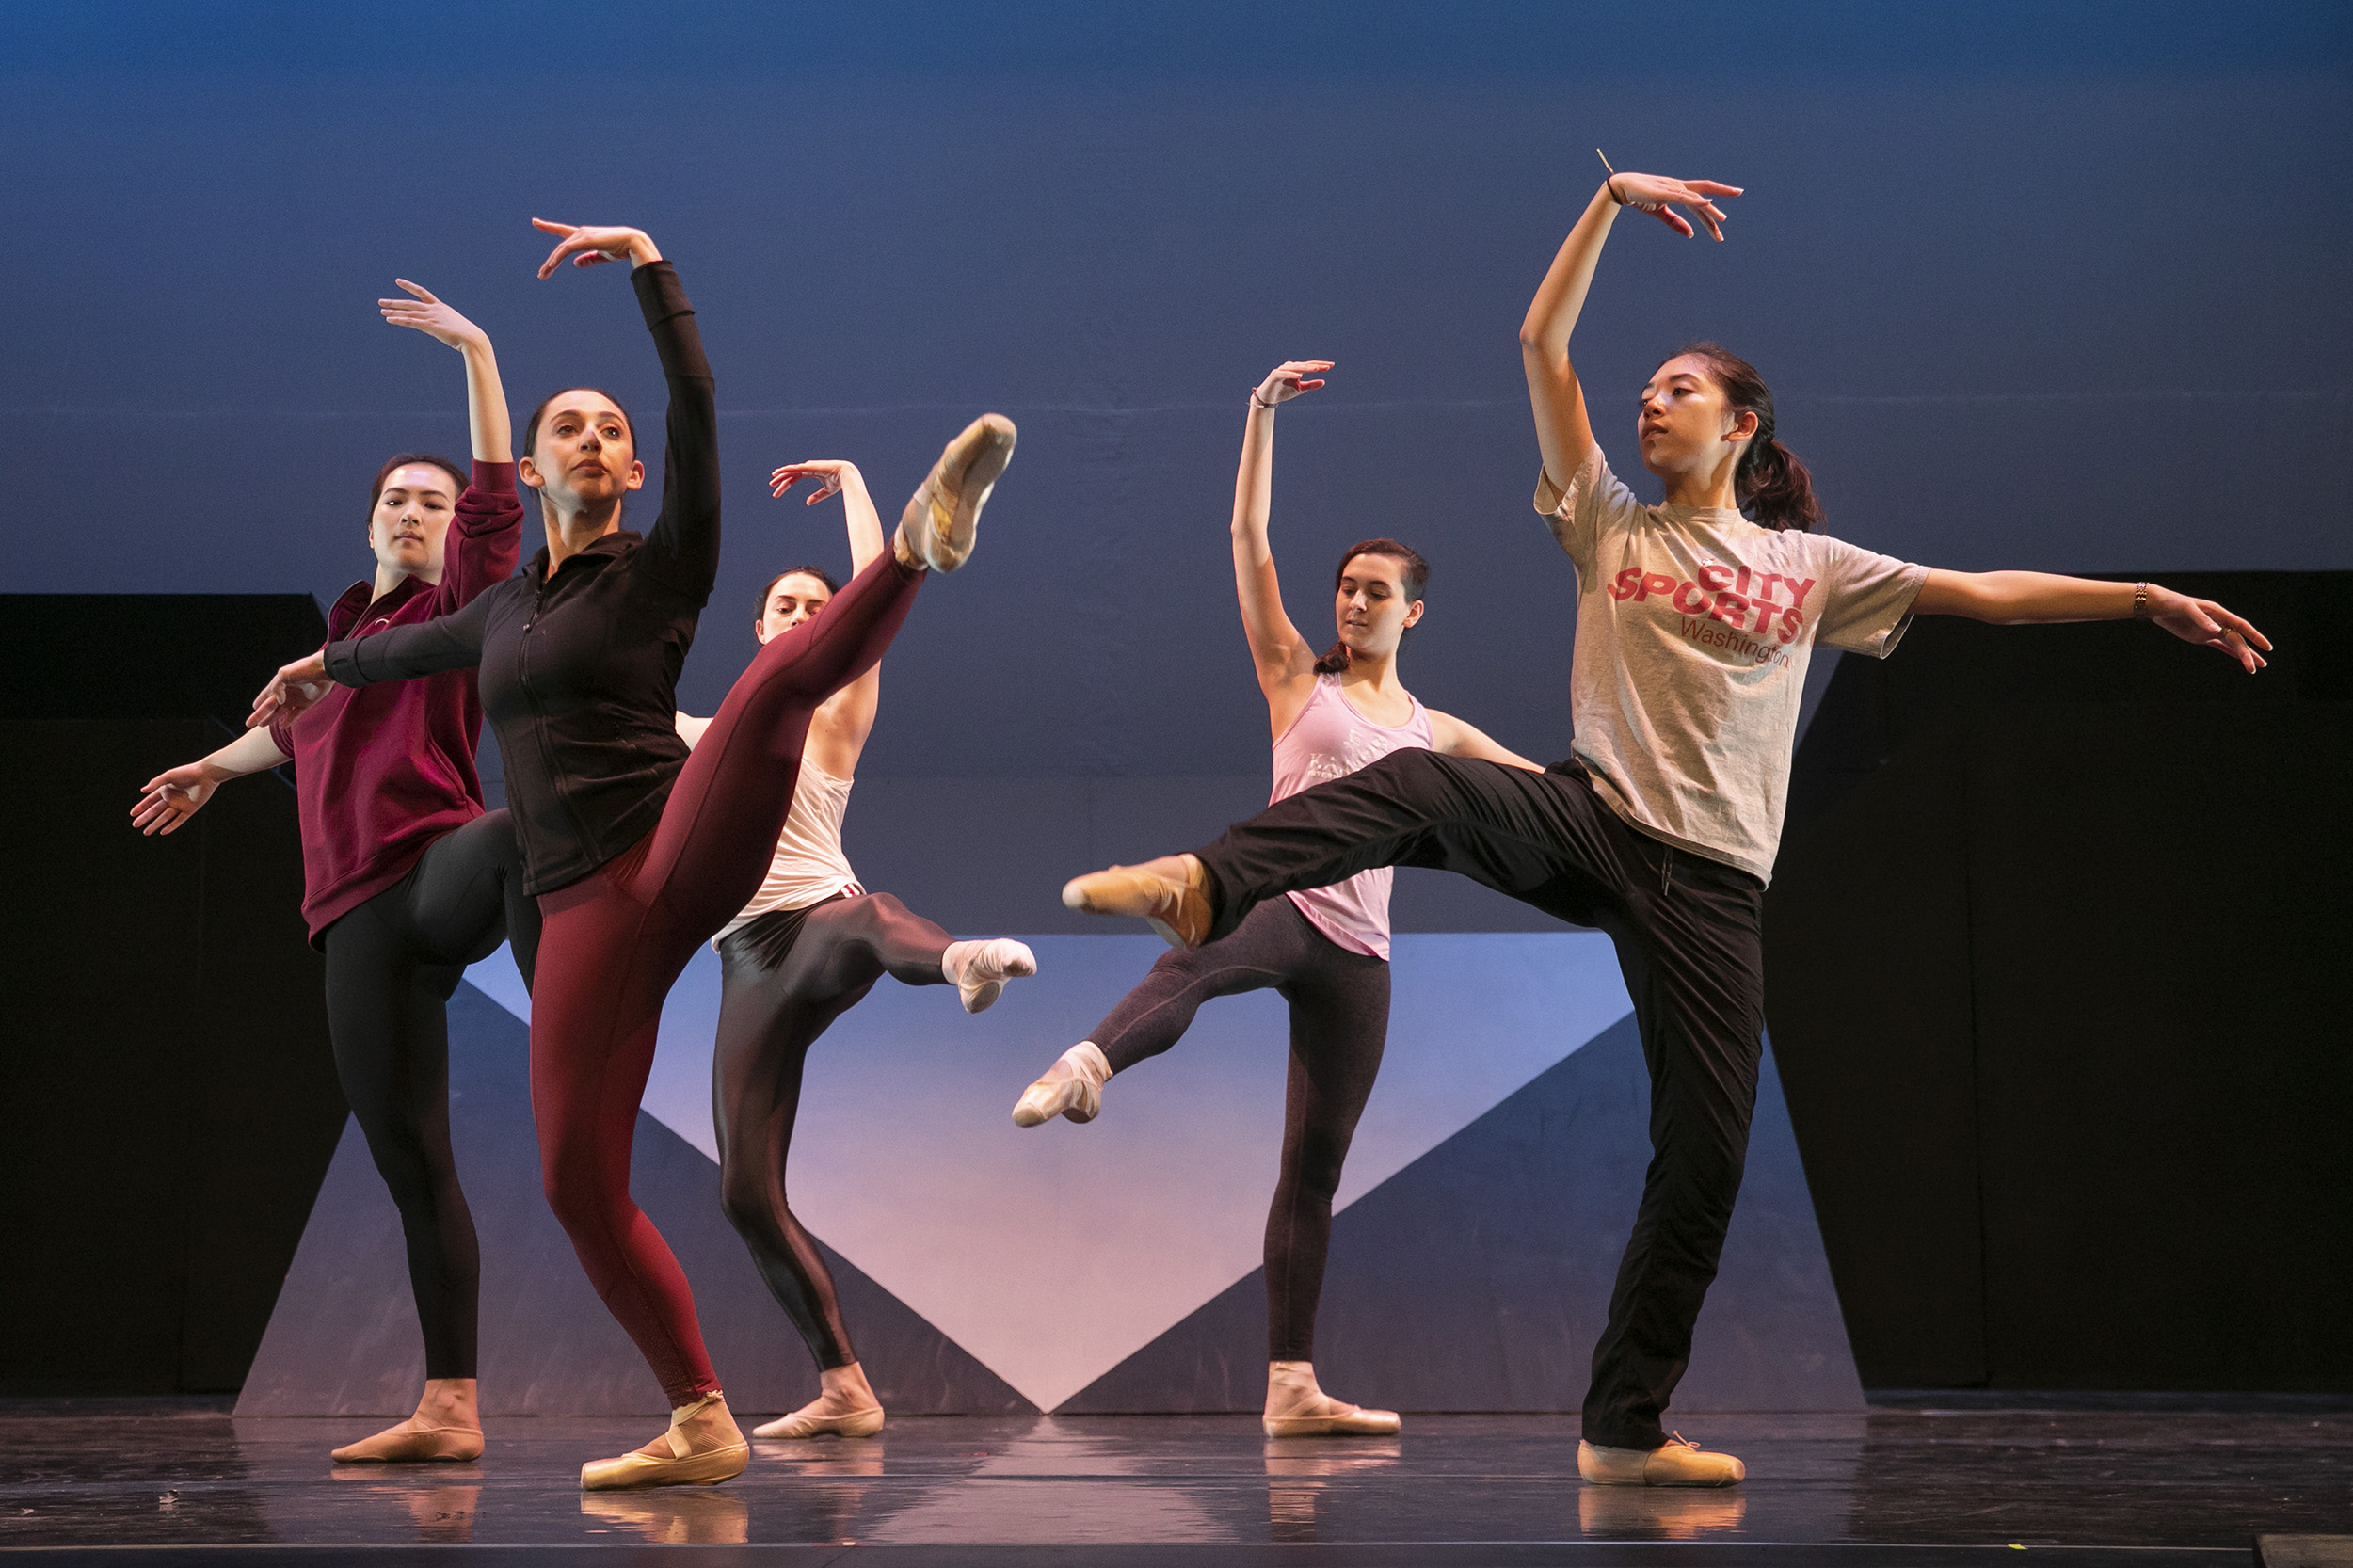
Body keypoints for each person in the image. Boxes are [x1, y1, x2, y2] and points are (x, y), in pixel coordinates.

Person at [1060, 168, 2270, 1487]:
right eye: (1645, 389)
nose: (1648, 401)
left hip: (1713, 889)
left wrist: (2140, 597)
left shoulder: (1812, 571)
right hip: (1594, 817)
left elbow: (1981, 592)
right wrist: (1606, 203)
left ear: (1742, 424)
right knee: (1412, 784)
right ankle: (1205, 882)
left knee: (1704, 1153)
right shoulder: (1605, 522)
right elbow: (1541, 346)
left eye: (1678, 388)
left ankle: (1624, 1428)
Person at [249, 219, 1017, 1490]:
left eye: (614, 430)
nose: (596, 440)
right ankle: (700, 1414)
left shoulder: (666, 568)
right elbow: (399, 652)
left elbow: (697, 395)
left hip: (679, 847)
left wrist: (655, 272)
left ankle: (918, 548)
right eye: (572, 428)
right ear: (538, 467)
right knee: (574, 1182)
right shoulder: (497, 607)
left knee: (772, 689)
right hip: (588, 914)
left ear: (636, 465)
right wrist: (319, 662)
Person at [1012, 360, 1540, 1438]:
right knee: (1196, 959)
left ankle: (1291, 1386)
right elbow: (1249, 544)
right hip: (1287, 906)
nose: (1351, 601)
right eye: (1344, 586)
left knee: (1313, 1167)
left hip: (1361, 956)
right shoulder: (1298, 679)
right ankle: (1086, 1063)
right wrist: (1257, 416)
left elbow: (1542, 790)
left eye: (1374, 590)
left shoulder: (1435, 731)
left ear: (1414, 611)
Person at [133, 281, 536, 1464]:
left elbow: (498, 500)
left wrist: (478, 352)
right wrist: (213, 765)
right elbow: (294, 729)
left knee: (517, 833)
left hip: (438, 866)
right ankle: (449, 1407)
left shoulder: (460, 607)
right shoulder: (337, 645)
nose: (415, 515)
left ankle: (573, 1006)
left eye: (432, 503)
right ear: (369, 524)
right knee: (415, 1166)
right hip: (352, 920)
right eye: (398, 502)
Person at [680, 456, 1036, 1443]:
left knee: (876, 911)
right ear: (756, 627)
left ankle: (958, 959)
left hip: (822, 928)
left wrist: (854, 485)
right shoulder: (691, 733)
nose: (802, 613)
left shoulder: (834, 713)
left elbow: (881, 592)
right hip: (747, 964)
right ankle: (844, 1384)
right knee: (745, 1191)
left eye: (816, 605)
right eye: (785, 603)